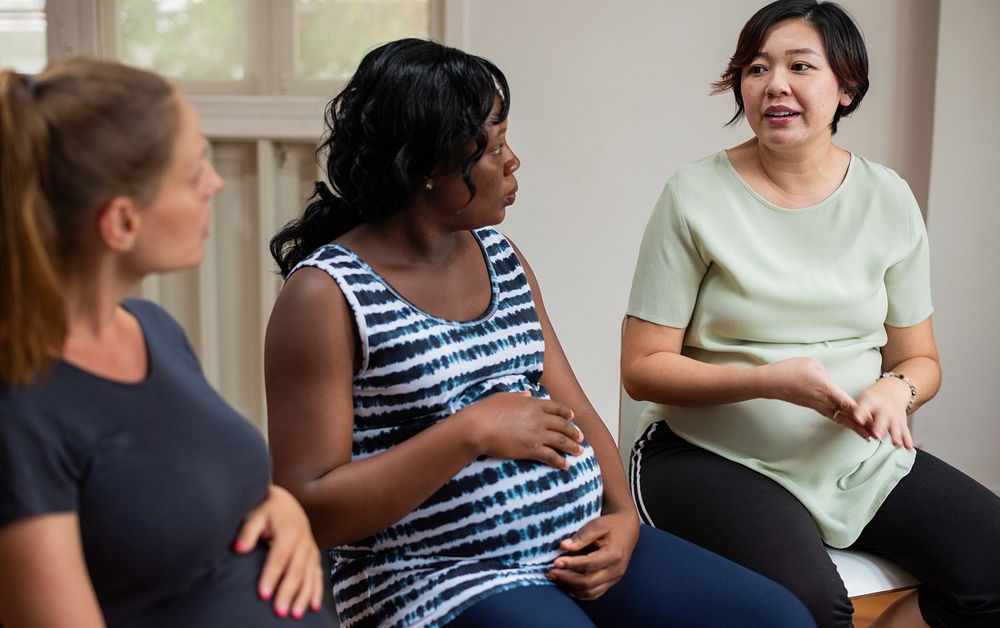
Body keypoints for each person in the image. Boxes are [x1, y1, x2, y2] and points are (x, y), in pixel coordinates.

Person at [264, 38, 813, 628]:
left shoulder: (500, 256)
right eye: (494, 146)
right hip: (435, 576)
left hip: (571, 545)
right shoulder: (325, 295)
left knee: (779, 619)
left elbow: (571, 404)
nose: (513, 162)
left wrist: (624, 517)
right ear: (425, 167)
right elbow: (308, 507)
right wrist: (469, 432)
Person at [622, 0, 1000, 628]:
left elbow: (920, 359)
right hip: (706, 454)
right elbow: (643, 368)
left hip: (852, 454)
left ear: (845, 89)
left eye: (801, 67)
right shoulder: (693, 195)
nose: (775, 86)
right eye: (756, 68)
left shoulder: (889, 198)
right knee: (813, 609)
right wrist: (771, 380)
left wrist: (895, 390)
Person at [0, 59, 331, 627]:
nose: (215, 182)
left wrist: (280, 509)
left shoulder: (154, 330)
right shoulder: (18, 408)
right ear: (122, 223)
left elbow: (179, 483)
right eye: (192, 170)